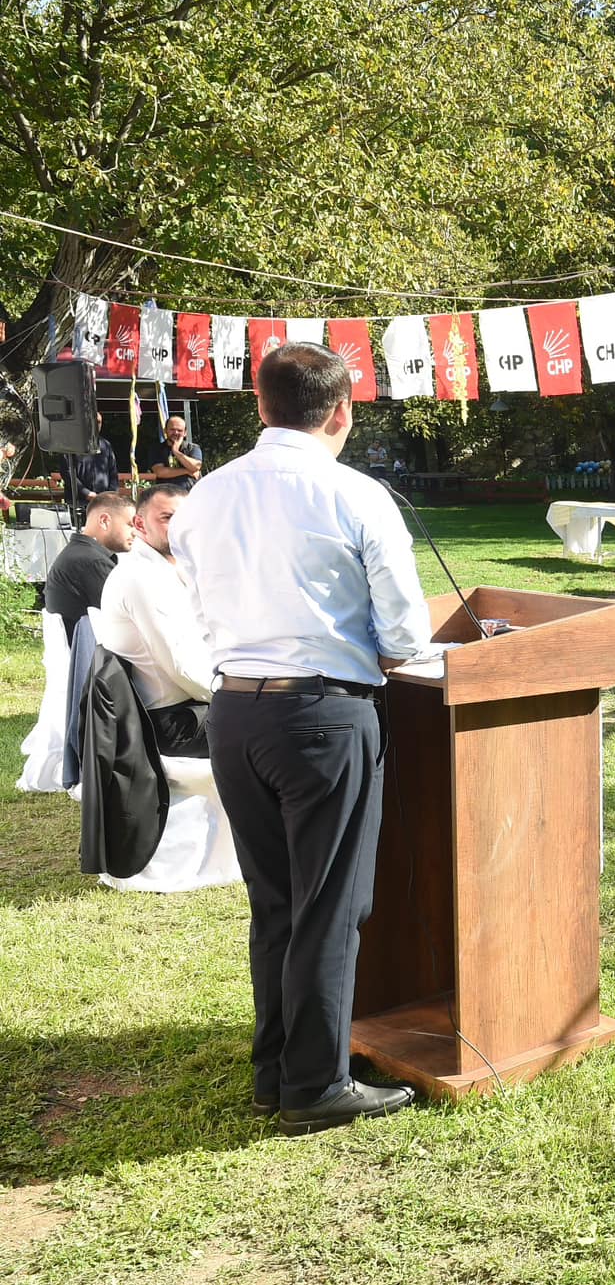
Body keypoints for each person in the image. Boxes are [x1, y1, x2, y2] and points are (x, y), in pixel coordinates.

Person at [171, 340, 431, 1134]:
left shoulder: (205, 497)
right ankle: (315, 1085)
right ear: (343, 411)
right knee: (328, 906)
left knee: (276, 902)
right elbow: (405, 637)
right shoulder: (356, 496)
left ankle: (276, 1070)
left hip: (235, 712)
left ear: (260, 405)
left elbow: (199, 596)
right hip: (322, 714)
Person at [93, 485, 214, 757]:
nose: (181, 527)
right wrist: (231, 696)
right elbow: (180, 666)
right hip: (172, 723)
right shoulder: (141, 577)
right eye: (167, 518)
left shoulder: (170, 568)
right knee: (277, 724)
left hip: (187, 708)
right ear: (139, 523)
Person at [45, 489, 134, 641]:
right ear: (104, 521)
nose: (135, 533)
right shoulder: (91, 561)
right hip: (94, 660)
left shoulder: (81, 553)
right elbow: (131, 618)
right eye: (130, 524)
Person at [61, 414, 120, 501]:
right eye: (94, 422)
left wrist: (111, 493)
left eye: (99, 422)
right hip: (79, 499)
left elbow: (113, 472)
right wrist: (86, 492)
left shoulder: (106, 445)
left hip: (103, 500)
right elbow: (67, 473)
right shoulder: (71, 446)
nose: (97, 425)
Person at [146, 414, 204, 491]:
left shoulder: (193, 448)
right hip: (166, 494)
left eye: (179, 430)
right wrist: (186, 471)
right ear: (165, 430)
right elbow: (160, 472)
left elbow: (195, 467)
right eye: (172, 429)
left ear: (185, 432)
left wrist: (176, 451)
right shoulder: (157, 449)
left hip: (190, 494)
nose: (176, 433)